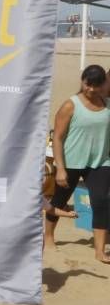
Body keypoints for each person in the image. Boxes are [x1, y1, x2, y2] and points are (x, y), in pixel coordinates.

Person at [46, 64, 110, 263]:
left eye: (95, 86)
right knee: (58, 201)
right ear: (82, 81)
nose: (90, 89)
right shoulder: (70, 105)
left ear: (103, 85)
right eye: (87, 84)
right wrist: (60, 169)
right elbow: (57, 138)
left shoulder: (107, 104)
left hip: (100, 162)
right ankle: (48, 238)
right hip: (71, 161)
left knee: (101, 202)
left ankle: (99, 250)